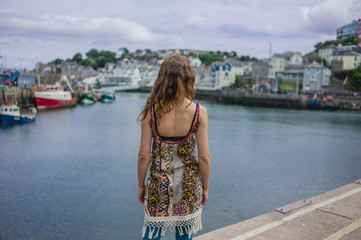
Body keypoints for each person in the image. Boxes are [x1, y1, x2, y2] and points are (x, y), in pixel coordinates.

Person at [137, 54, 211, 240]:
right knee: (184, 235)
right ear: (189, 79)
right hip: (188, 183)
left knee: (151, 234)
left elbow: (143, 156)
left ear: (162, 78)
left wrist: (141, 184)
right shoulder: (199, 112)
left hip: (158, 183)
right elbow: (204, 157)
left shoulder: (151, 111)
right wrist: (206, 187)